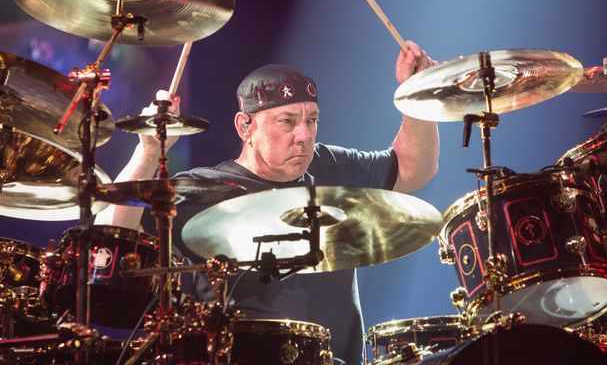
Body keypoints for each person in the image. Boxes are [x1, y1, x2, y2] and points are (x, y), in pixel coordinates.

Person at [95, 41, 439, 364]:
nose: (304, 135)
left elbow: (413, 169)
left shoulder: (329, 166)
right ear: (245, 126)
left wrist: (417, 94)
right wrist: (149, 152)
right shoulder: (201, 188)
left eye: (312, 120)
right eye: (287, 122)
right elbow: (107, 242)